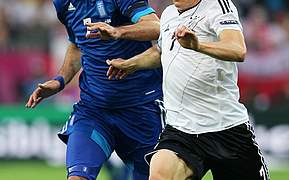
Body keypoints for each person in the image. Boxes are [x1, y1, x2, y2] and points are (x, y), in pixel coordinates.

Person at [106, 0, 270, 179]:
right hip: (181, 129)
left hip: (225, 128)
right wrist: (131, 64)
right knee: (160, 174)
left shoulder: (218, 5)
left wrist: (197, 45)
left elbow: (237, 49)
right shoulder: (169, 14)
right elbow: (161, 51)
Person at [26, 0, 164, 180]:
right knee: (77, 177)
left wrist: (118, 31)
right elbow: (77, 45)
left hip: (141, 110)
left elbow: (157, 27)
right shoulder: (62, 4)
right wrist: (59, 81)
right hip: (94, 110)